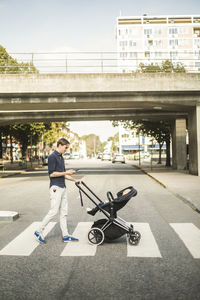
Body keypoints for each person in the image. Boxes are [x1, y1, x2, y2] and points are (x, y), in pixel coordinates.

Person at [34, 138, 81, 244]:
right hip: (56, 188)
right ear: (60, 145)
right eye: (66, 147)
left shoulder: (61, 157)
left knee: (64, 212)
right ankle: (38, 231)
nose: (67, 150)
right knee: (54, 211)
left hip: (63, 187)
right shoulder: (52, 157)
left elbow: (63, 174)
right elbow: (52, 174)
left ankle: (65, 235)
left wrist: (75, 180)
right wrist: (66, 172)